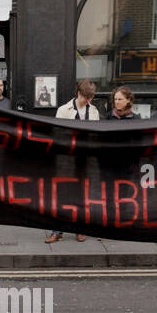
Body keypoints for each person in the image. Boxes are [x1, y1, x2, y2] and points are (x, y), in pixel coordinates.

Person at [48, 79, 98, 243]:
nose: (88, 101)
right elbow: (58, 134)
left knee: (83, 194)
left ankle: (79, 229)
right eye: (86, 97)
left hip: (85, 160)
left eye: (91, 97)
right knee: (62, 194)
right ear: (78, 93)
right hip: (67, 159)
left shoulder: (94, 111)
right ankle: (57, 231)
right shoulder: (63, 110)